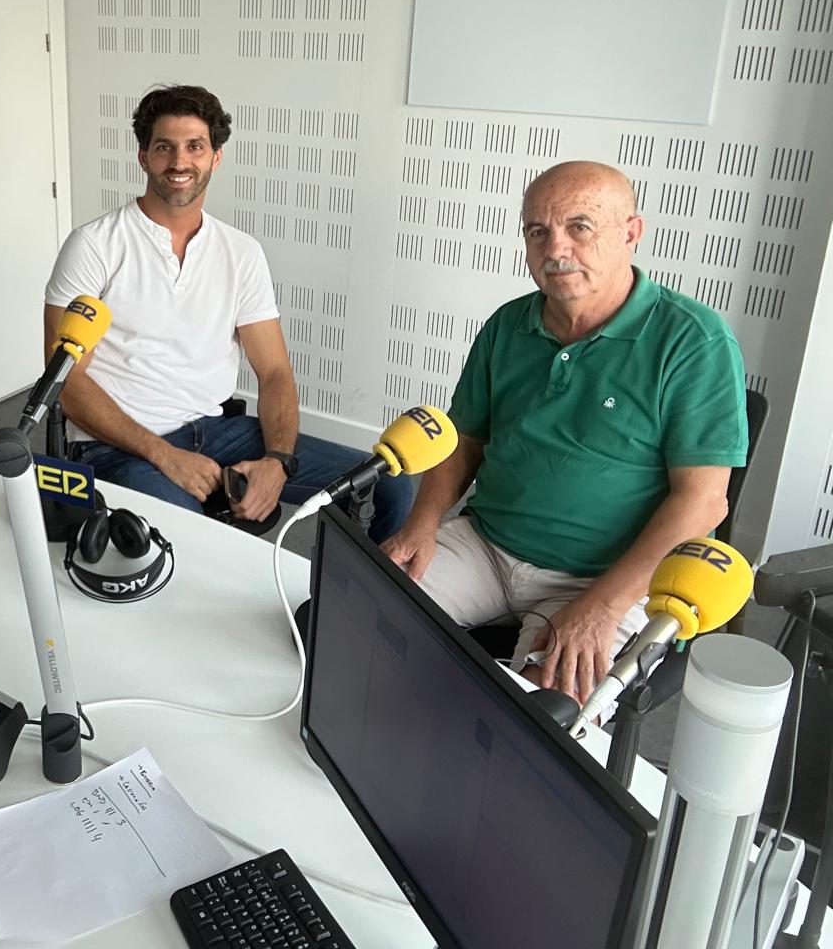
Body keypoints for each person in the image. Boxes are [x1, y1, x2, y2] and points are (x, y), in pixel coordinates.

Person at [383, 160, 746, 704]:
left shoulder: (694, 341)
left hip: (606, 575)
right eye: (538, 231)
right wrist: (422, 524)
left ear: (630, 233)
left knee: (541, 719)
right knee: (352, 611)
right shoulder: (508, 325)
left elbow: (703, 502)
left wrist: (603, 605)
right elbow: (464, 441)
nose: (556, 249)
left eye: (580, 226)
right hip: (488, 544)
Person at [44, 84, 411, 541]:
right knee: (194, 538)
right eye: (165, 147)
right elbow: (67, 382)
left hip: (216, 433)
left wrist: (278, 461)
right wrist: (163, 454)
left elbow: (274, 372)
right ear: (143, 157)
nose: (180, 162)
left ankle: (352, 587)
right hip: (117, 446)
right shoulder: (94, 246)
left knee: (389, 486)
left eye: (195, 147)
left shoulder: (241, 252)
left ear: (215, 158)